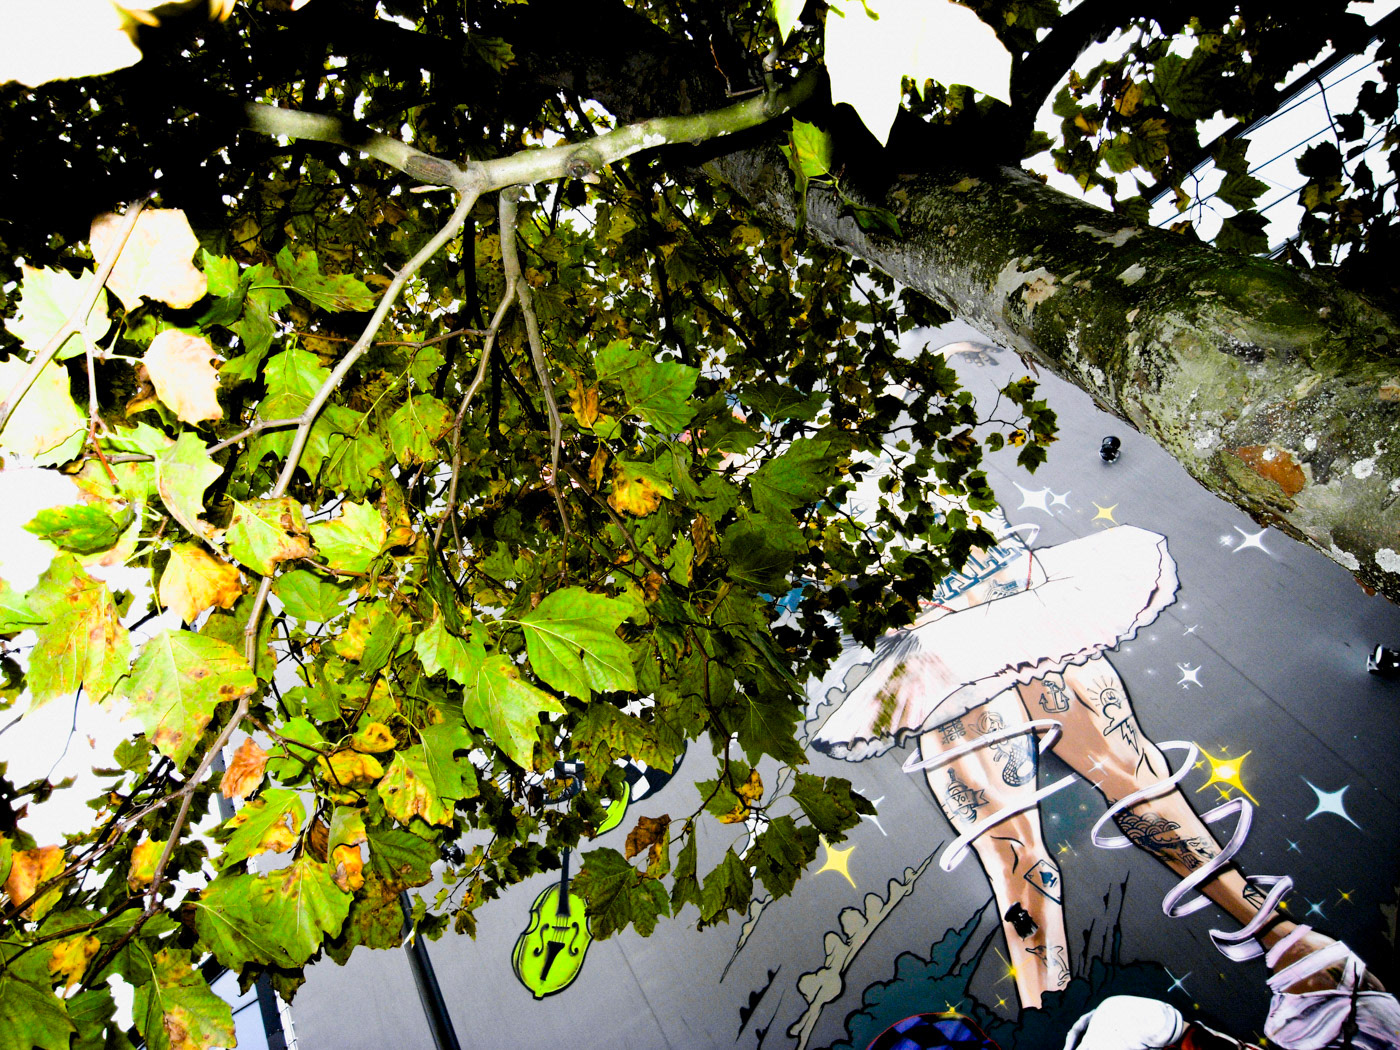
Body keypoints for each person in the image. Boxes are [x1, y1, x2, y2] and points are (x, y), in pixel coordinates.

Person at [807, 498, 1395, 1043]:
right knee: (1047, 833)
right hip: (953, 627)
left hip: (992, 595)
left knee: (1115, 791)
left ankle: (1302, 959)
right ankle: (1300, 961)